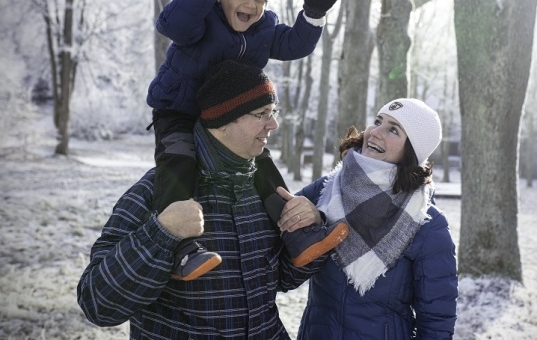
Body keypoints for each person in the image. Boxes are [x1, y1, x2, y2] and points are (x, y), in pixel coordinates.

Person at [78, 60, 343, 339]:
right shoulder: (156, 193)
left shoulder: (264, 191)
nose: (274, 124)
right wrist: (161, 234)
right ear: (223, 120)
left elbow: (277, 279)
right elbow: (98, 305)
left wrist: (308, 225)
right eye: (262, 113)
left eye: (273, 112)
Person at [146, 0, 346, 280]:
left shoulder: (264, 28)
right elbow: (170, 24)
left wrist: (313, 14)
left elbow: (295, 44)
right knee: (178, 164)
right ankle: (182, 248)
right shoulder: (200, 19)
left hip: (230, 117)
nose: (250, 4)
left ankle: (295, 233)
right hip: (180, 107)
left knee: (263, 167)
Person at [287, 98, 459, 339]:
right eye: (378, 121)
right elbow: (280, 228)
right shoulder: (325, 191)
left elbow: (437, 323)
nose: (375, 132)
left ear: (411, 152)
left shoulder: (426, 223)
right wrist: (316, 222)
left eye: (393, 130)